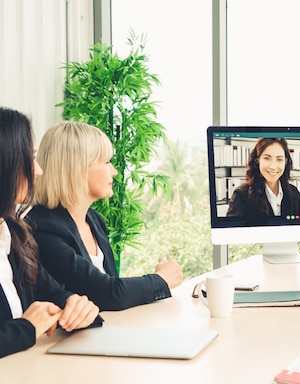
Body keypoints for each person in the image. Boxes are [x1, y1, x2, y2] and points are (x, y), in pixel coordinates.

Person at [25, 121, 183, 312]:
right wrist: (161, 280)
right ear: (78, 168)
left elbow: (112, 287)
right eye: (107, 162)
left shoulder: (94, 220)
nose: (114, 172)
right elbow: (107, 293)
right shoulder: (42, 228)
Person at [0, 108, 101, 357]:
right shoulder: (41, 226)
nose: (38, 170)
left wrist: (77, 307)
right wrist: (27, 328)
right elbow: (27, 327)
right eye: (29, 158)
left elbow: (54, 294)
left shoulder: (13, 234)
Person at [227, 137, 300, 220]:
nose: (273, 166)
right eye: (267, 158)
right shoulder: (241, 195)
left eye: (279, 159)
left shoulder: (294, 194)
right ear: (257, 161)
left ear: (285, 162)